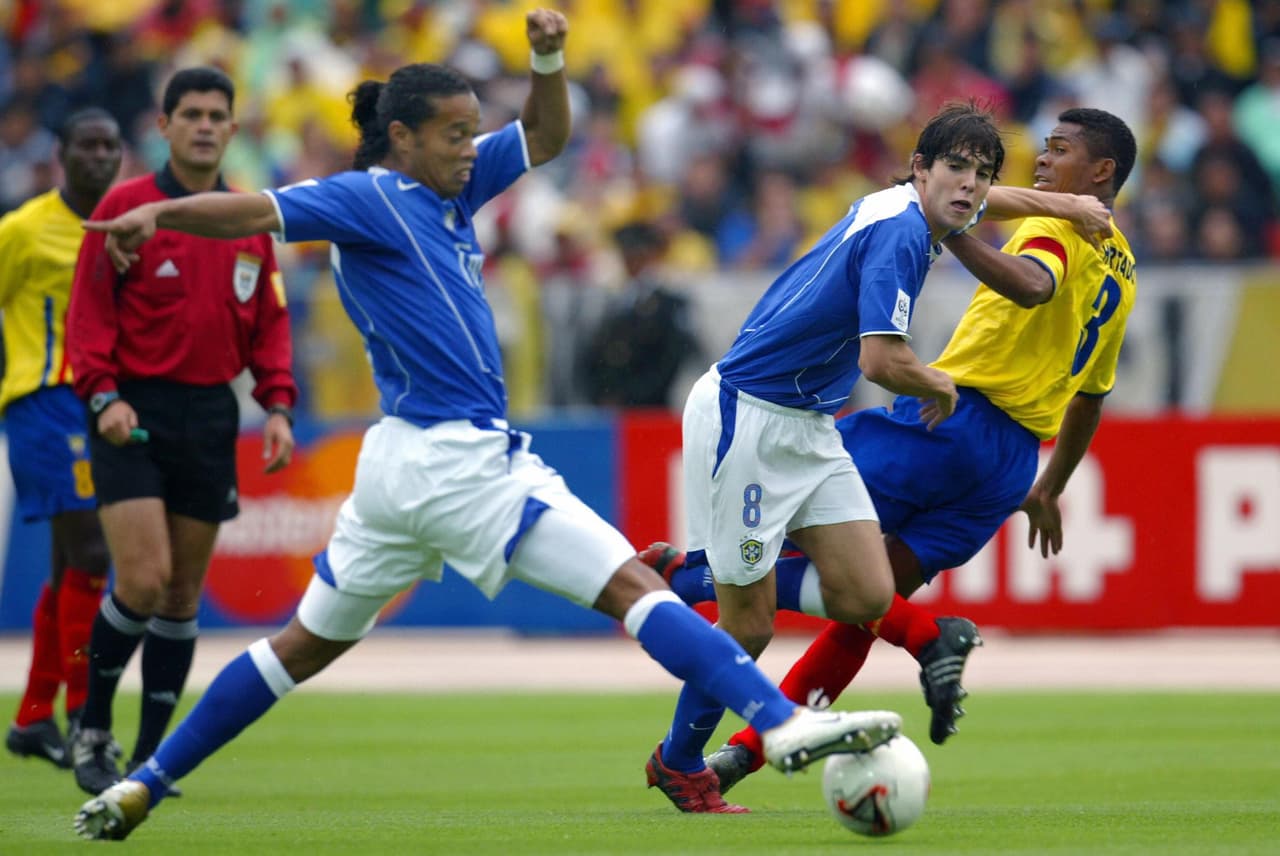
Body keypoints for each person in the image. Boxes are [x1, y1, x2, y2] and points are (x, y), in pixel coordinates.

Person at [72, 10, 902, 840]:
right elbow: (253, 211)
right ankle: (781, 721)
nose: (472, 147)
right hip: (456, 458)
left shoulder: (452, 188)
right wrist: (161, 216)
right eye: (455, 134)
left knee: (302, 647)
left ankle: (144, 782)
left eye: (473, 131)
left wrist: (547, 58)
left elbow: (544, 133)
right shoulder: (370, 196)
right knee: (631, 585)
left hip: (398, 466)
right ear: (400, 136)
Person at [653, 107, 1139, 802]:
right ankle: (739, 750)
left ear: (1102, 172)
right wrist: (1050, 485)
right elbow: (1090, 397)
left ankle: (692, 579)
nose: (1040, 160)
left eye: (1058, 151)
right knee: (858, 602)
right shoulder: (1124, 271)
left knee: (827, 595)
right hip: (1010, 463)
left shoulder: (1050, 231)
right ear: (925, 169)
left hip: (950, 422)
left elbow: (1026, 283)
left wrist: (974, 222)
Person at [641, 100, 1007, 814]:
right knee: (747, 625)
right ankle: (678, 762)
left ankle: (690, 574)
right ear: (920, 170)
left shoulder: (906, 209)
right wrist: (935, 380)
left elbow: (988, 203)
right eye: (956, 168)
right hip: (746, 416)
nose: (969, 186)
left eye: (983, 175)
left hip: (809, 427)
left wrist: (1065, 205)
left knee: (868, 595)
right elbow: (880, 358)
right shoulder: (904, 235)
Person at [65, 66, 298, 797]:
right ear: (162, 127)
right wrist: (103, 396)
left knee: (180, 596)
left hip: (210, 413)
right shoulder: (127, 209)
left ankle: (149, 759)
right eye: (189, 113)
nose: (203, 124)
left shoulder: (245, 220)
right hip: (132, 410)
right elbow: (88, 316)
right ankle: (91, 728)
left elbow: (270, 322)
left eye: (216, 114)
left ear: (233, 129)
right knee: (140, 578)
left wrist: (280, 405)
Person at [1, 108, 122, 769]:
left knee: (68, 564)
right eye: (87, 145)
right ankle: (84, 719)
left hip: (103, 403)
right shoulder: (22, 230)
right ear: (62, 154)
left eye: (110, 146)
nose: (99, 157)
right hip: (45, 400)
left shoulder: (127, 225)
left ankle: (30, 720)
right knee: (94, 553)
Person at [580, 221, 700, 408]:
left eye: (637, 256)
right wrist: (601, 394)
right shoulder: (614, 301)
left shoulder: (670, 303)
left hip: (652, 409)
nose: (630, 262)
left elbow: (671, 359)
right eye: (626, 256)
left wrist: (633, 396)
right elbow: (596, 354)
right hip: (614, 407)